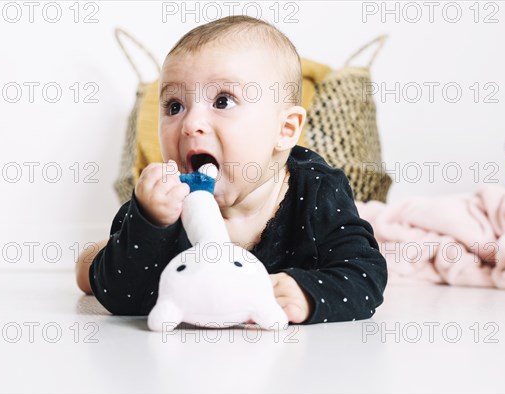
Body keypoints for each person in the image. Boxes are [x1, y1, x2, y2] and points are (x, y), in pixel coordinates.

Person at [76, 15, 387, 324]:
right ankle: (93, 255)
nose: (191, 124)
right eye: (174, 106)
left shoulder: (318, 191)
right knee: (89, 270)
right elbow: (123, 298)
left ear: (285, 129)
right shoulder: (166, 202)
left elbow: (366, 273)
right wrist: (149, 223)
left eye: (223, 101)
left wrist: (309, 293)